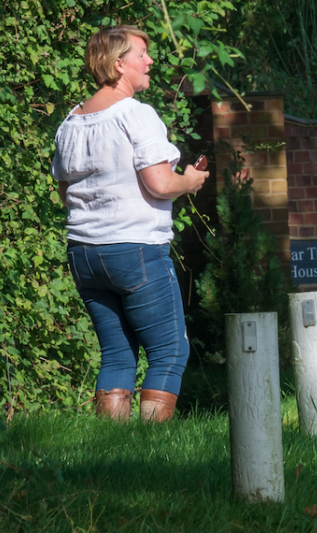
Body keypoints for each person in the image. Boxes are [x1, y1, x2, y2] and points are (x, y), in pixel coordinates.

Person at [51, 25, 209, 422]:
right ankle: (151, 449)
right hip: (135, 251)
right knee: (170, 351)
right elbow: (159, 183)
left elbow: (64, 191)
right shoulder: (136, 115)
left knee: (118, 353)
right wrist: (189, 181)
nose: (150, 60)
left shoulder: (71, 123)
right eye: (142, 54)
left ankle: (114, 445)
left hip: (84, 255)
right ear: (119, 64)